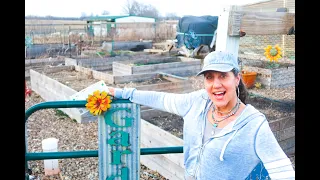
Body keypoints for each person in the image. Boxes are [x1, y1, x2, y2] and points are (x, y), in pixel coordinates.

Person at [108, 51, 295, 179]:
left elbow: (283, 171)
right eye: (209, 77)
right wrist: (123, 93)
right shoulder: (196, 103)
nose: (216, 84)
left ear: (237, 79)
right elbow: (162, 99)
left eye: (223, 76)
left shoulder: (254, 124)